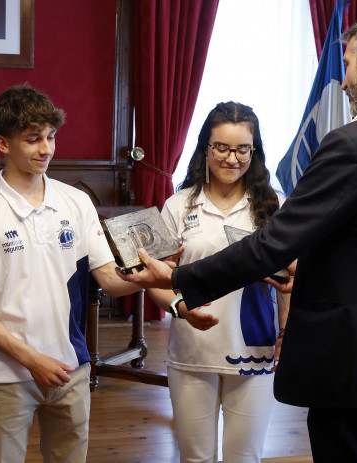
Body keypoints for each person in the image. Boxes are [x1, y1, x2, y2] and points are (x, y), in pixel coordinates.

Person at [118, 3, 357, 462]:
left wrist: (178, 279)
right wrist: (309, 276)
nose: (343, 81)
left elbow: (272, 244)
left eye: (346, 65)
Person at [0, 84, 141, 462]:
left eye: (51, 137)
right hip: (6, 372)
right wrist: (32, 359)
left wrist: (152, 274)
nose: (46, 149)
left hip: (71, 366)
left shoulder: (77, 201)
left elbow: (112, 281)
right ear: (3, 144)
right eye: (33, 139)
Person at [147, 101, 289, 463]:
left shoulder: (275, 206)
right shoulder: (179, 206)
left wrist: (286, 332)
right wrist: (179, 307)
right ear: (205, 149)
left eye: (243, 148)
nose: (232, 158)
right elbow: (156, 280)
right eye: (222, 147)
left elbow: (288, 278)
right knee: (195, 458)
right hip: (192, 351)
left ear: (254, 152)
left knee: (245, 458)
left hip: (255, 353)